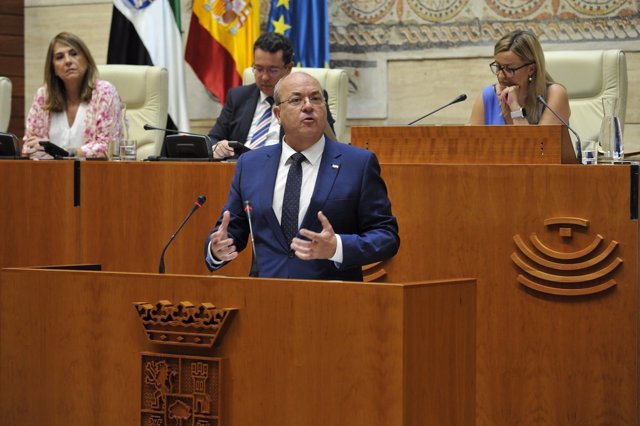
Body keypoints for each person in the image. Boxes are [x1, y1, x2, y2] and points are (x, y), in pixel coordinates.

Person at [204, 72, 400, 281]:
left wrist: (337, 247)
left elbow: (386, 237)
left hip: (334, 300)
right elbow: (231, 230)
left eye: (316, 98)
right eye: (296, 100)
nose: (308, 106)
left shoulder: (358, 164)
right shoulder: (251, 164)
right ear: (278, 114)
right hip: (265, 299)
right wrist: (217, 249)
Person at [208, 32, 335, 160]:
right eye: (258, 69)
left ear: (288, 68)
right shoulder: (237, 97)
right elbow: (212, 138)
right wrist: (219, 146)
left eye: (272, 70)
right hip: (236, 167)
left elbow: (329, 144)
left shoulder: (308, 98)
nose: (264, 77)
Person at [22, 32, 125, 159]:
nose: (68, 61)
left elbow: (109, 147)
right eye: (59, 57)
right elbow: (30, 147)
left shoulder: (104, 93)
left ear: (86, 59)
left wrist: (63, 152)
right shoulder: (44, 95)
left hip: (95, 174)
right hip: (50, 175)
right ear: (53, 68)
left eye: (74, 54)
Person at [468, 29, 570, 126]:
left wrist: (515, 108)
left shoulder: (554, 94)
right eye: (499, 67)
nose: (501, 75)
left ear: (531, 69)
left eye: (510, 69)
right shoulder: (488, 96)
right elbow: (470, 142)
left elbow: (540, 144)